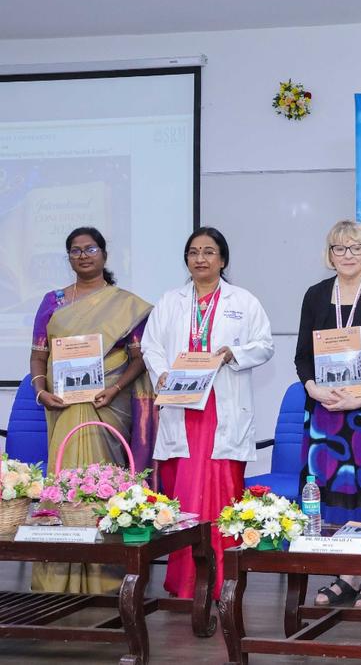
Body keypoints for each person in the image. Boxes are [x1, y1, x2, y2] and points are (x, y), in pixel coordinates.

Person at [141, 226, 274, 599]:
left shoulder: (243, 300)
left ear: (223, 259)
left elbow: (265, 345)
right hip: (183, 405)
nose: (200, 258)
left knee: (221, 493)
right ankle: (183, 580)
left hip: (222, 406)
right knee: (184, 493)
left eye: (209, 251)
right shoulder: (169, 301)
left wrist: (235, 353)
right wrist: (161, 372)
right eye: (194, 252)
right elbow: (150, 346)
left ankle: (222, 580)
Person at [29, 226, 155, 594]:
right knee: (64, 483)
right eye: (75, 250)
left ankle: (107, 579)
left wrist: (115, 387)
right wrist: (40, 391)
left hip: (107, 406)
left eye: (90, 249)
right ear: (69, 257)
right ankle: (57, 580)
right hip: (64, 406)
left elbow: (139, 358)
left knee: (103, 484)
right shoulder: (53, 301)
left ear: (104, 254)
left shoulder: (127, 304)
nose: (83, 255)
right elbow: (39, 355)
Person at [295, 220, 361, 610]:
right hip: (325, 414)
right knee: (333, 498)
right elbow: (302, 357)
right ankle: (344, 574)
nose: (347, 255)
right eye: (339, 248)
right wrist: (313, 388)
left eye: (355, 248)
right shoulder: (315, 295)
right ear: (330, 254)